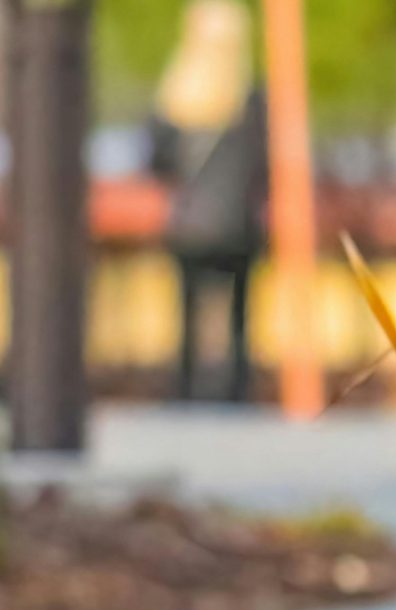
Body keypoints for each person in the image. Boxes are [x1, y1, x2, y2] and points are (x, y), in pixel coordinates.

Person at [149, 0, 268, 402]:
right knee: (238, 313)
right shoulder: (250, 99)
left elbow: (156, 162)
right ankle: (236, 389)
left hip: (189, 223)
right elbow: (264, 165)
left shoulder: (174, 95)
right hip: (237, 222)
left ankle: (185, 388)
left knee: (187, 311)